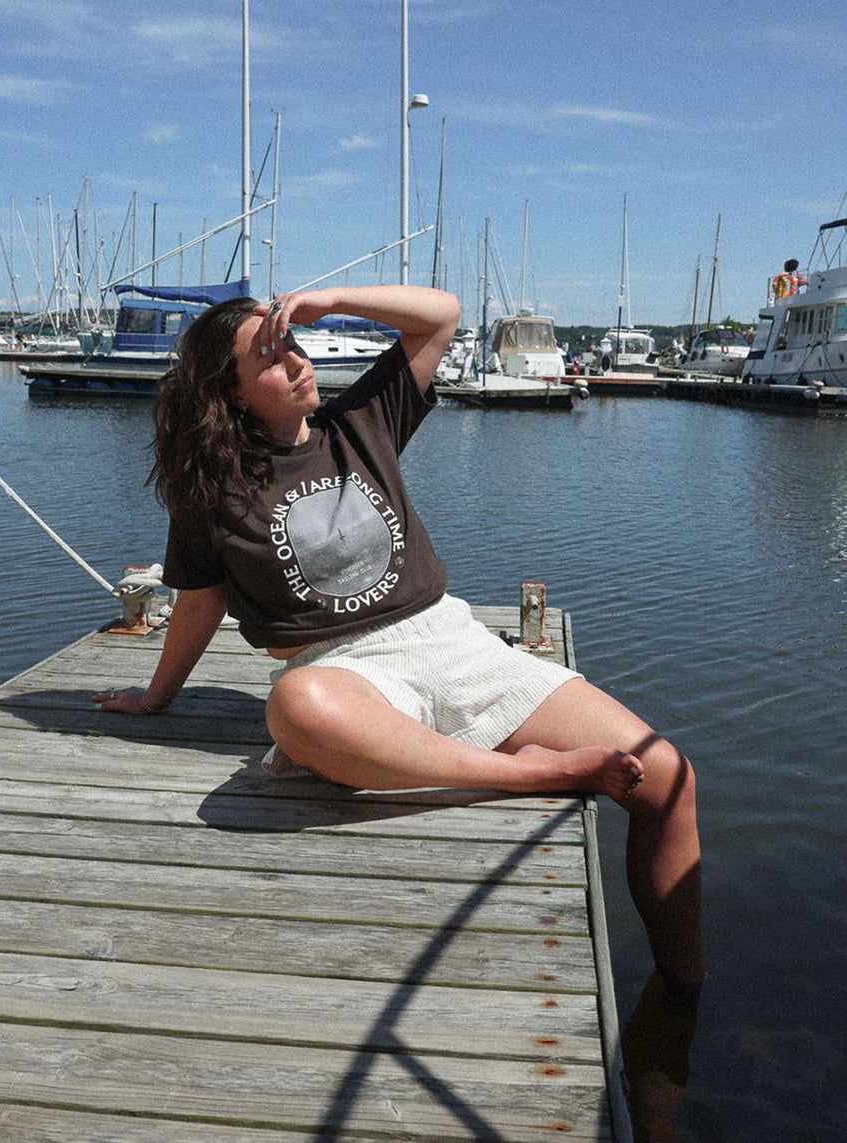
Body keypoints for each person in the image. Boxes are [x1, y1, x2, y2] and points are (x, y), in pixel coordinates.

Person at [93, 284, 703, 1001]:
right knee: (295, 706)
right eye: (271, 358)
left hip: (452, 639)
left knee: (669, 778)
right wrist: (157, 696)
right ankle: (534, 773)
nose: (297, 362)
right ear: (230, 393)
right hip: (343, 669)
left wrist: (329, 302)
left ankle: (684, 993)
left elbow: (441, 317)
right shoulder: (213, 488)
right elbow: (201, 601)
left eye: (295, 345)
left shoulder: (361, 422)